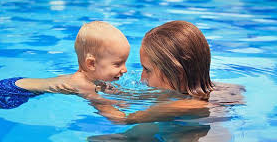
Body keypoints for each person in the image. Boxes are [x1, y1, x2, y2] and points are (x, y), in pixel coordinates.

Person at [0, 21, 130, 116]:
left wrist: (111, 89)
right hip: (16, 91)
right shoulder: (82, 85)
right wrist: (118, 105)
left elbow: (100, 87)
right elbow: (99, 103)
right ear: (91, 64)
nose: (125, 69)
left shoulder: (85, 77)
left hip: (17, 82)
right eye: (117, 64)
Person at [88, 20, 246, 141]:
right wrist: (108, 89)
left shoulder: (185, 105)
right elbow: (145, 97)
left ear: (177, 74)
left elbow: (121, 119)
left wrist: (88, 93)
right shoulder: (197, 92)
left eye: (147, 70)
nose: (142, 78)